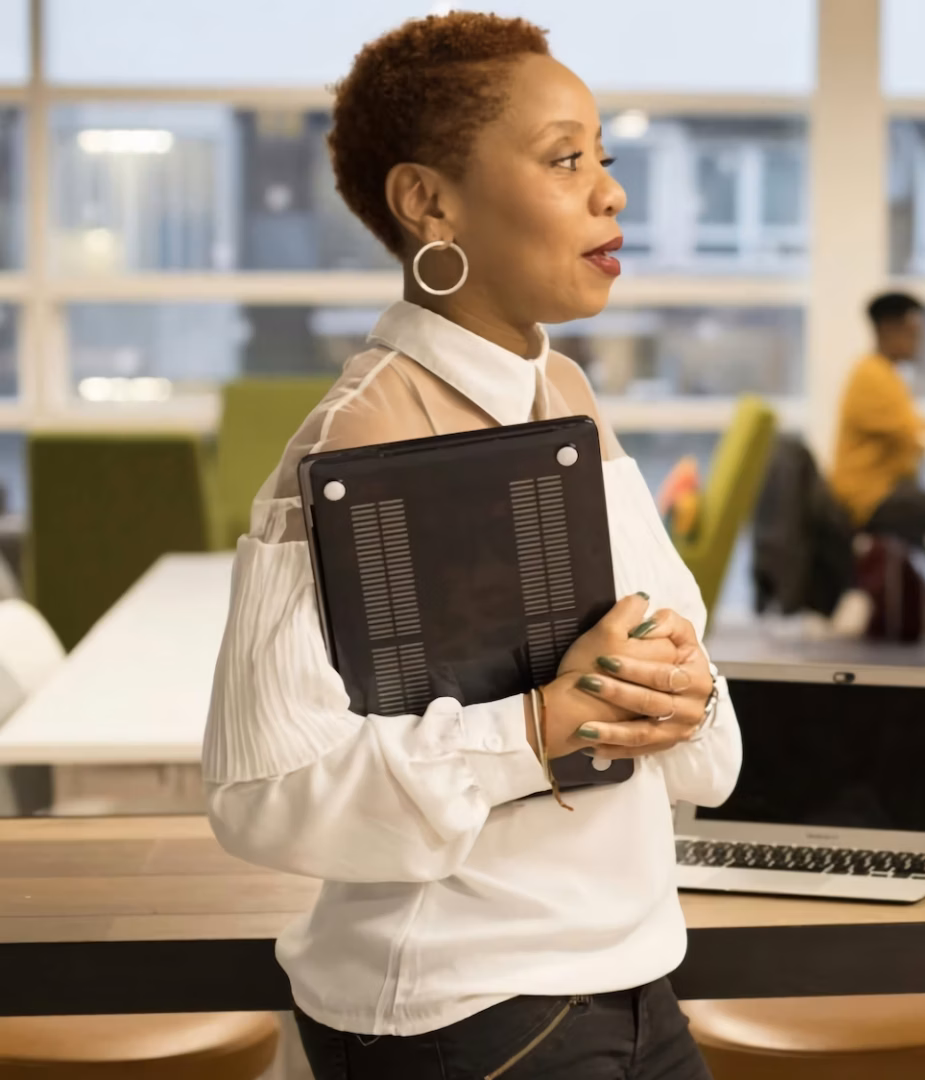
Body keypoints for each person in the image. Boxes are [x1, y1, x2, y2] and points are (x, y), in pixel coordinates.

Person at [200, 14, 738, 1078]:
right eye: (564, 158)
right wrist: (537, 727)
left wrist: (683, 693)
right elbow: (261, 793)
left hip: (630, 978)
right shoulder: (362, 436)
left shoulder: (564, 396)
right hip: (469, 1014)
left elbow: (679, 724)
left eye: (605, 158)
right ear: (428, 201)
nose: (610, 192)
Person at [828, 291, 925, 545]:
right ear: (888, 330)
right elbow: (920, 437)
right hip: (868, 501)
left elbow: (919, 429)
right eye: (912, 332)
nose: (919, 340)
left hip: (883, 494)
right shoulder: (872, 377)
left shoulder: (885, 374)